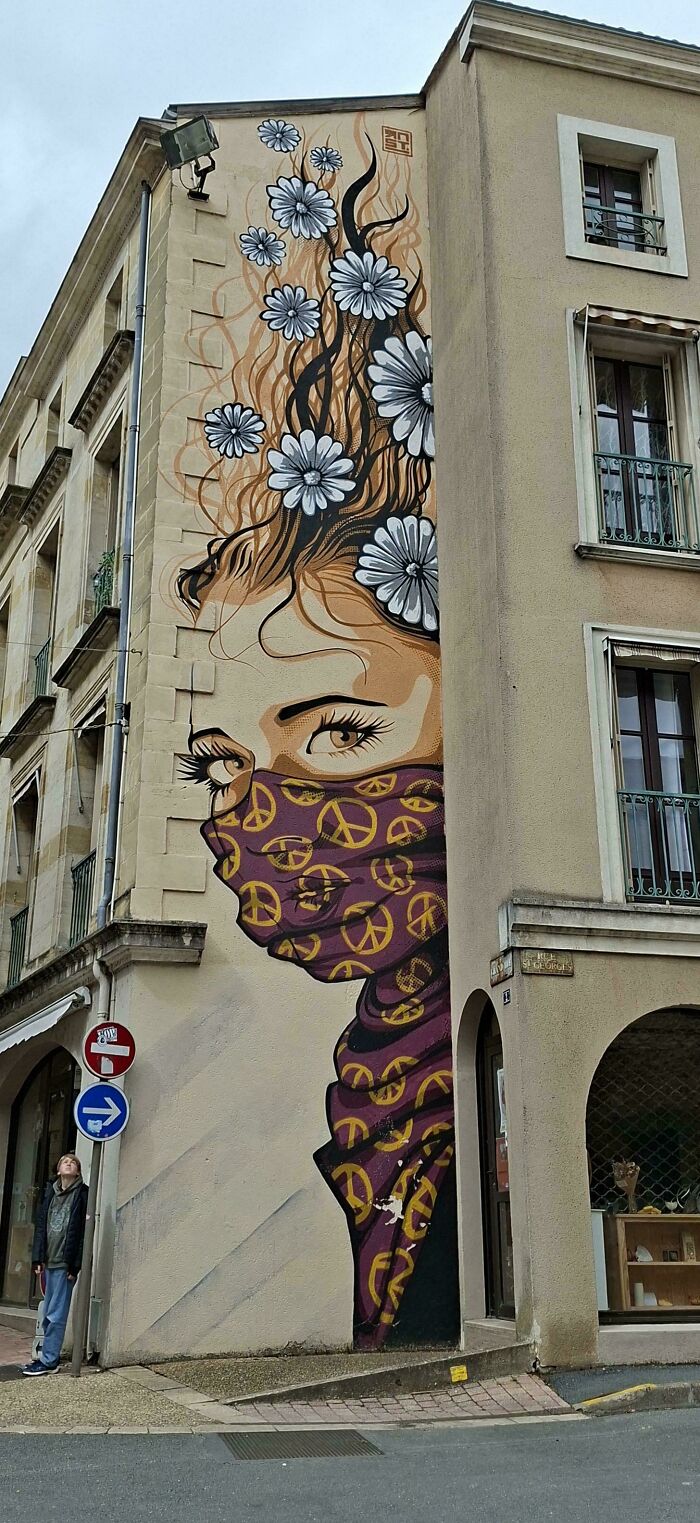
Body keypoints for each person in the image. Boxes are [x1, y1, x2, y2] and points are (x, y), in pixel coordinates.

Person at [173, 120, 459, 1348]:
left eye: (340, 728)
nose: (252, 815)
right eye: (222, 763)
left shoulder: (451, 1065)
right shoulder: (376, 1066)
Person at [22, 1153, 88, 1376]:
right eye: (64, 1162)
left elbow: (82, 1234)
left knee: (55, 1314)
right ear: (58, 1169)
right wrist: (38, 1258)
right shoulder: (50, 1192)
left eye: (73, 1162)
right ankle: (47, 1357)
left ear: (77, 1171)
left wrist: (74, 1265)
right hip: (48, 1261)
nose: (68, 1163)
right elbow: (42, 1226)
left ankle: (49, 1361)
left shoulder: (83, 1194)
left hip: (64, 1263)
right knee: (49, 1311)